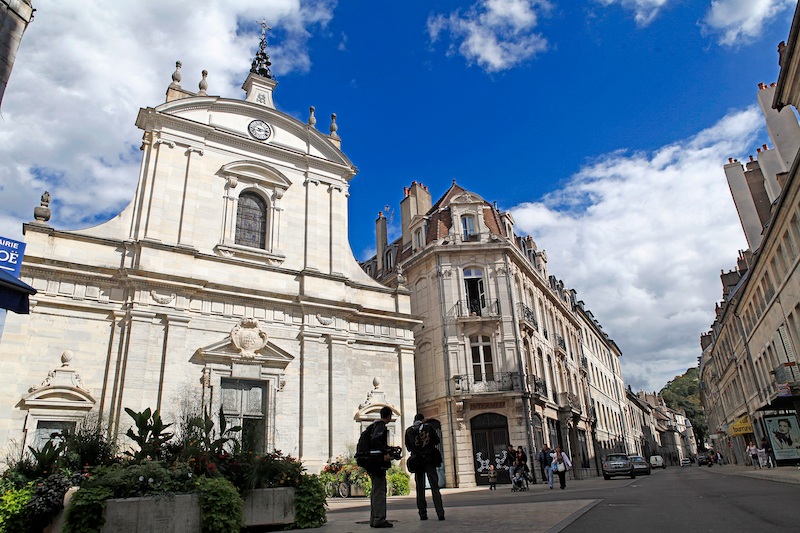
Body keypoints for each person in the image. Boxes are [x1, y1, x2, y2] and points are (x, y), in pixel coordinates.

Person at [405, 414, 445, 521]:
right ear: (422, 420)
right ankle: (440, 513)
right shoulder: (429, 427)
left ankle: (423, 514)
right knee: (435, 487)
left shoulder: (409, 431)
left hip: (417, 462)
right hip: (429, 460)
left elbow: (408, 447)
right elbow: (437, 441)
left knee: (420, 489)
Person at [367, 406, 394, 528]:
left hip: (371, 462)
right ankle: (379, 519)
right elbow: (376, 441)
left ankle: (374, 518)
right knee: (380, 490)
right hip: (377, 463)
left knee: (375, 490)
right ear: (389, 416)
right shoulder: (381, 426)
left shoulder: (374, 425)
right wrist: (385, 453)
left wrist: (390, 449)